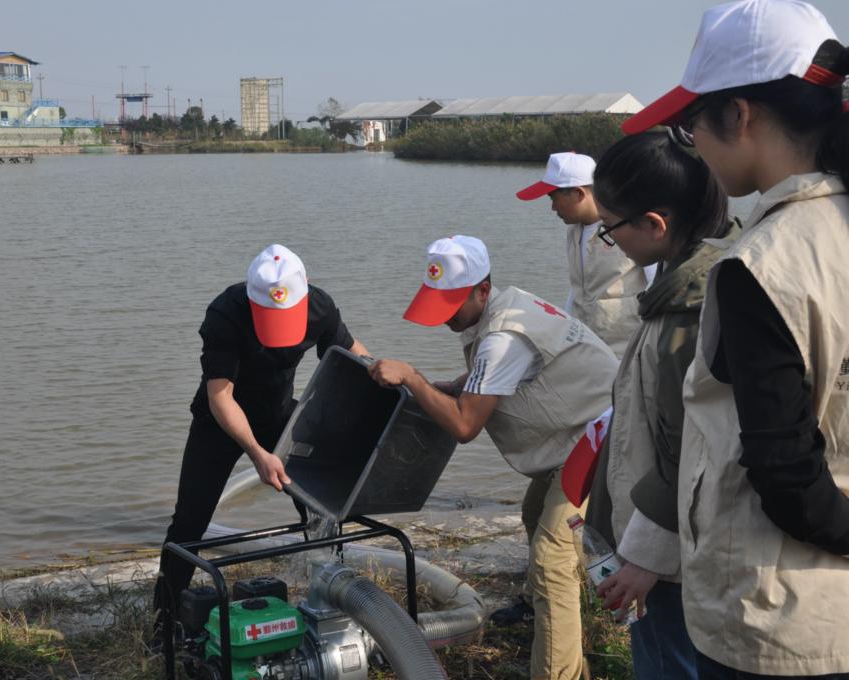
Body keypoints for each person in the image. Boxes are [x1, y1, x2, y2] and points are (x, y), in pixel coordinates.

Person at [622, 1, 849, 677]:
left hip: (779, 624)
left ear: (740, 115)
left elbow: (786, 474)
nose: (693, 145)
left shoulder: (760, 265)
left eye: (690, 127)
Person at [368, 235, 617, 680]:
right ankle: (554, 615)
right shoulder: (507, 305)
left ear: (482, 290)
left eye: (452, 305)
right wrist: (446, 386)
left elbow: (465, 426)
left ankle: (557, 669)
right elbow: (493, 372)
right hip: (578, 432)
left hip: (599, 436)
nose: (446, 318)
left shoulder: (504, 336)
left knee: (551, 557)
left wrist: (415, 378)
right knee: (534, 513)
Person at [578, 131, 738, 680]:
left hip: (672, 559)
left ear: (654, 224)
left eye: (610, 227)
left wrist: (647, 559)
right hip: (670, 543)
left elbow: (690, 448)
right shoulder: (684, 277)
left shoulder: (689, 310)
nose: (609, 241)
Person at [153, 244, 368, 641]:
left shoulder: (319, 307)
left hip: (280, 415)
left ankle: (333, 602)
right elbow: (220, 396)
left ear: (305, 292)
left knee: (320, 506)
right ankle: (163, 626)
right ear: (252, 300)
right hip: (219, 420)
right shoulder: (225, 314)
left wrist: (382, 384)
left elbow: (351, 360)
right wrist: (257, 454)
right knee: (189, 521)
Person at [517, 152, 656, 357]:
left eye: (554, 198)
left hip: (628, 348)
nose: (553, 207)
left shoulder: (628, 225)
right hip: (589, 345)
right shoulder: (574, 231)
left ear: (578, 194)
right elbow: (579, 287)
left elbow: (657, 283)